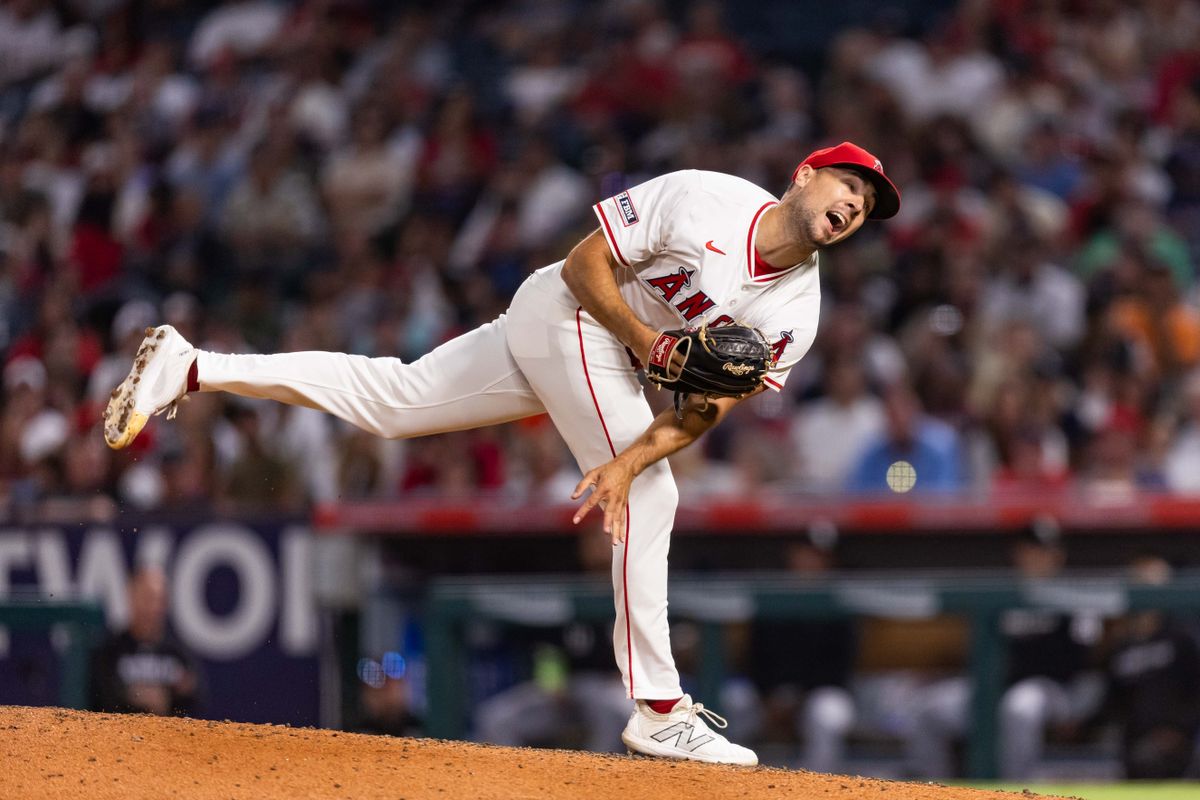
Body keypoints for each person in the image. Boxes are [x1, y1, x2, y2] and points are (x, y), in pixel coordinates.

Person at [101, 141, 901, 765]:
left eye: (866, 207)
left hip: (606, 355)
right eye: (848, 187)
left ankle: (195, 365)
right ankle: (660, 711)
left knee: (397, 403)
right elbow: (587, 261)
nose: (853, 207)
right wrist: (649, 344)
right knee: (659, 501)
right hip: (569, 312)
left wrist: (625, 462)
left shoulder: (799, 312)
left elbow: (705, 408)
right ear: (804, 175)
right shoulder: (706, 198)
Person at [89, 565, 201, 716]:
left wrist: (167, 700)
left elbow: (196, 703)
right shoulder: (110, 651)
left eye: (159, 600)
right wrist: (137, 699)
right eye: (147, 598)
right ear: (131, 597)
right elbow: (100, 699)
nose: (153, 607)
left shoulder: (178, 654)